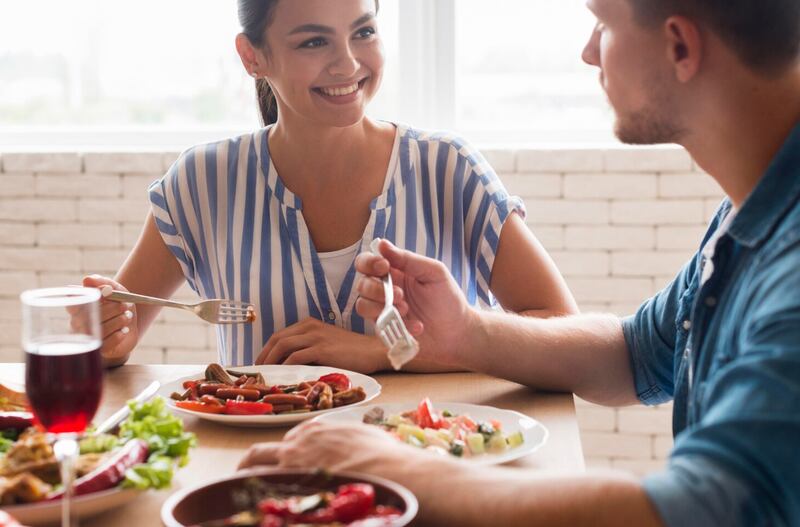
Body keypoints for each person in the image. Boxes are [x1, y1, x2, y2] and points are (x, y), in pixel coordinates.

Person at [238, 0, 800, 525]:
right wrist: (465, 333)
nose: (588, 51)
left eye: (603, 24)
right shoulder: (749, 212)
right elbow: (636, 355)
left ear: (679, 47)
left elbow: (701, 507)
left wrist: (398, 467)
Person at [84, 0, 577, 369]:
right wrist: (105, 336)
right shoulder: (202, 183)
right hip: (267, 484)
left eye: (363, 31)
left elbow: (563, 330)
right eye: (314, 42)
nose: (347, 63)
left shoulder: (448, 169)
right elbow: (116, 334)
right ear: (252, 56)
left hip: (433, 474)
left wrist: (387, 352)